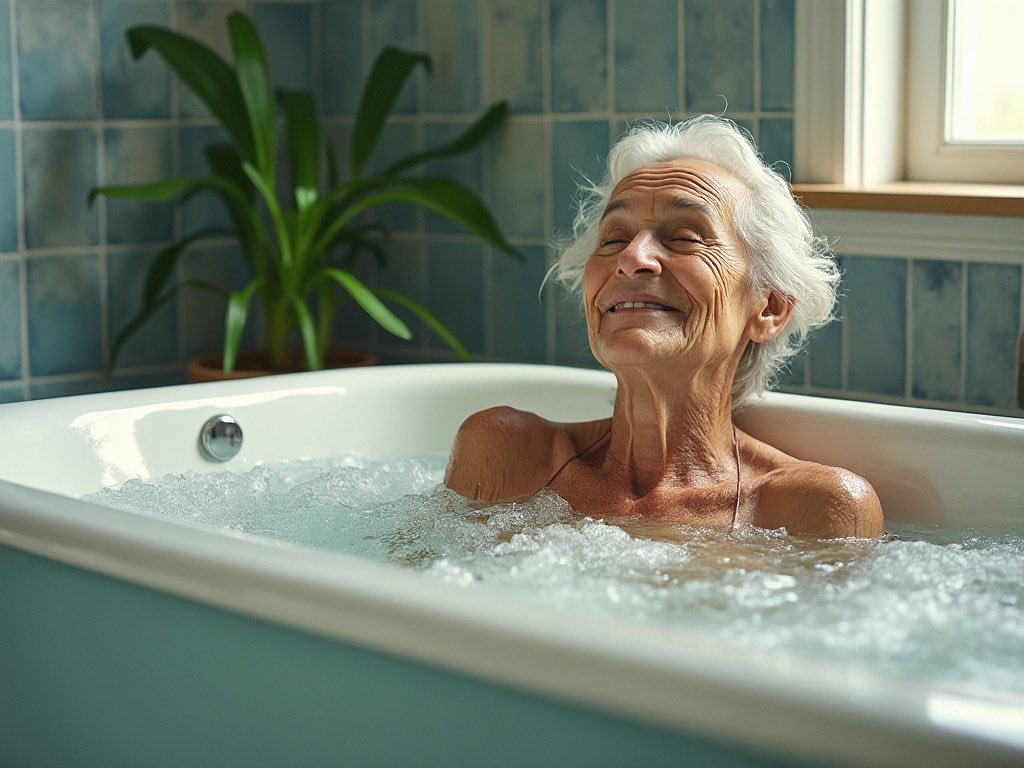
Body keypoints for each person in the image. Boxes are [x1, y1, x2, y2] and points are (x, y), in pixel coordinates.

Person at [445, 116, 883, 538]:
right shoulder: (506, 454)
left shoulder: (813, 509)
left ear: (768, 307)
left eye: (685, 237)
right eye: (614, 238)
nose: (632, 257)